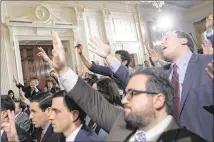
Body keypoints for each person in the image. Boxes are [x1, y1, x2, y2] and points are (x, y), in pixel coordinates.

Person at [40, 31, 205, 141]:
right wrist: (62, 71)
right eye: (126, 93)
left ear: (158, 100)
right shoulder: (123, 122)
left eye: (133, 94)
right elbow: (90, 99)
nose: (124, 99)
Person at [160, 30, 213, 141]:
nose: (161, 42)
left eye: (166, 38)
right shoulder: (161, 73)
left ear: (183, 40)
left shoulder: (209, 62)